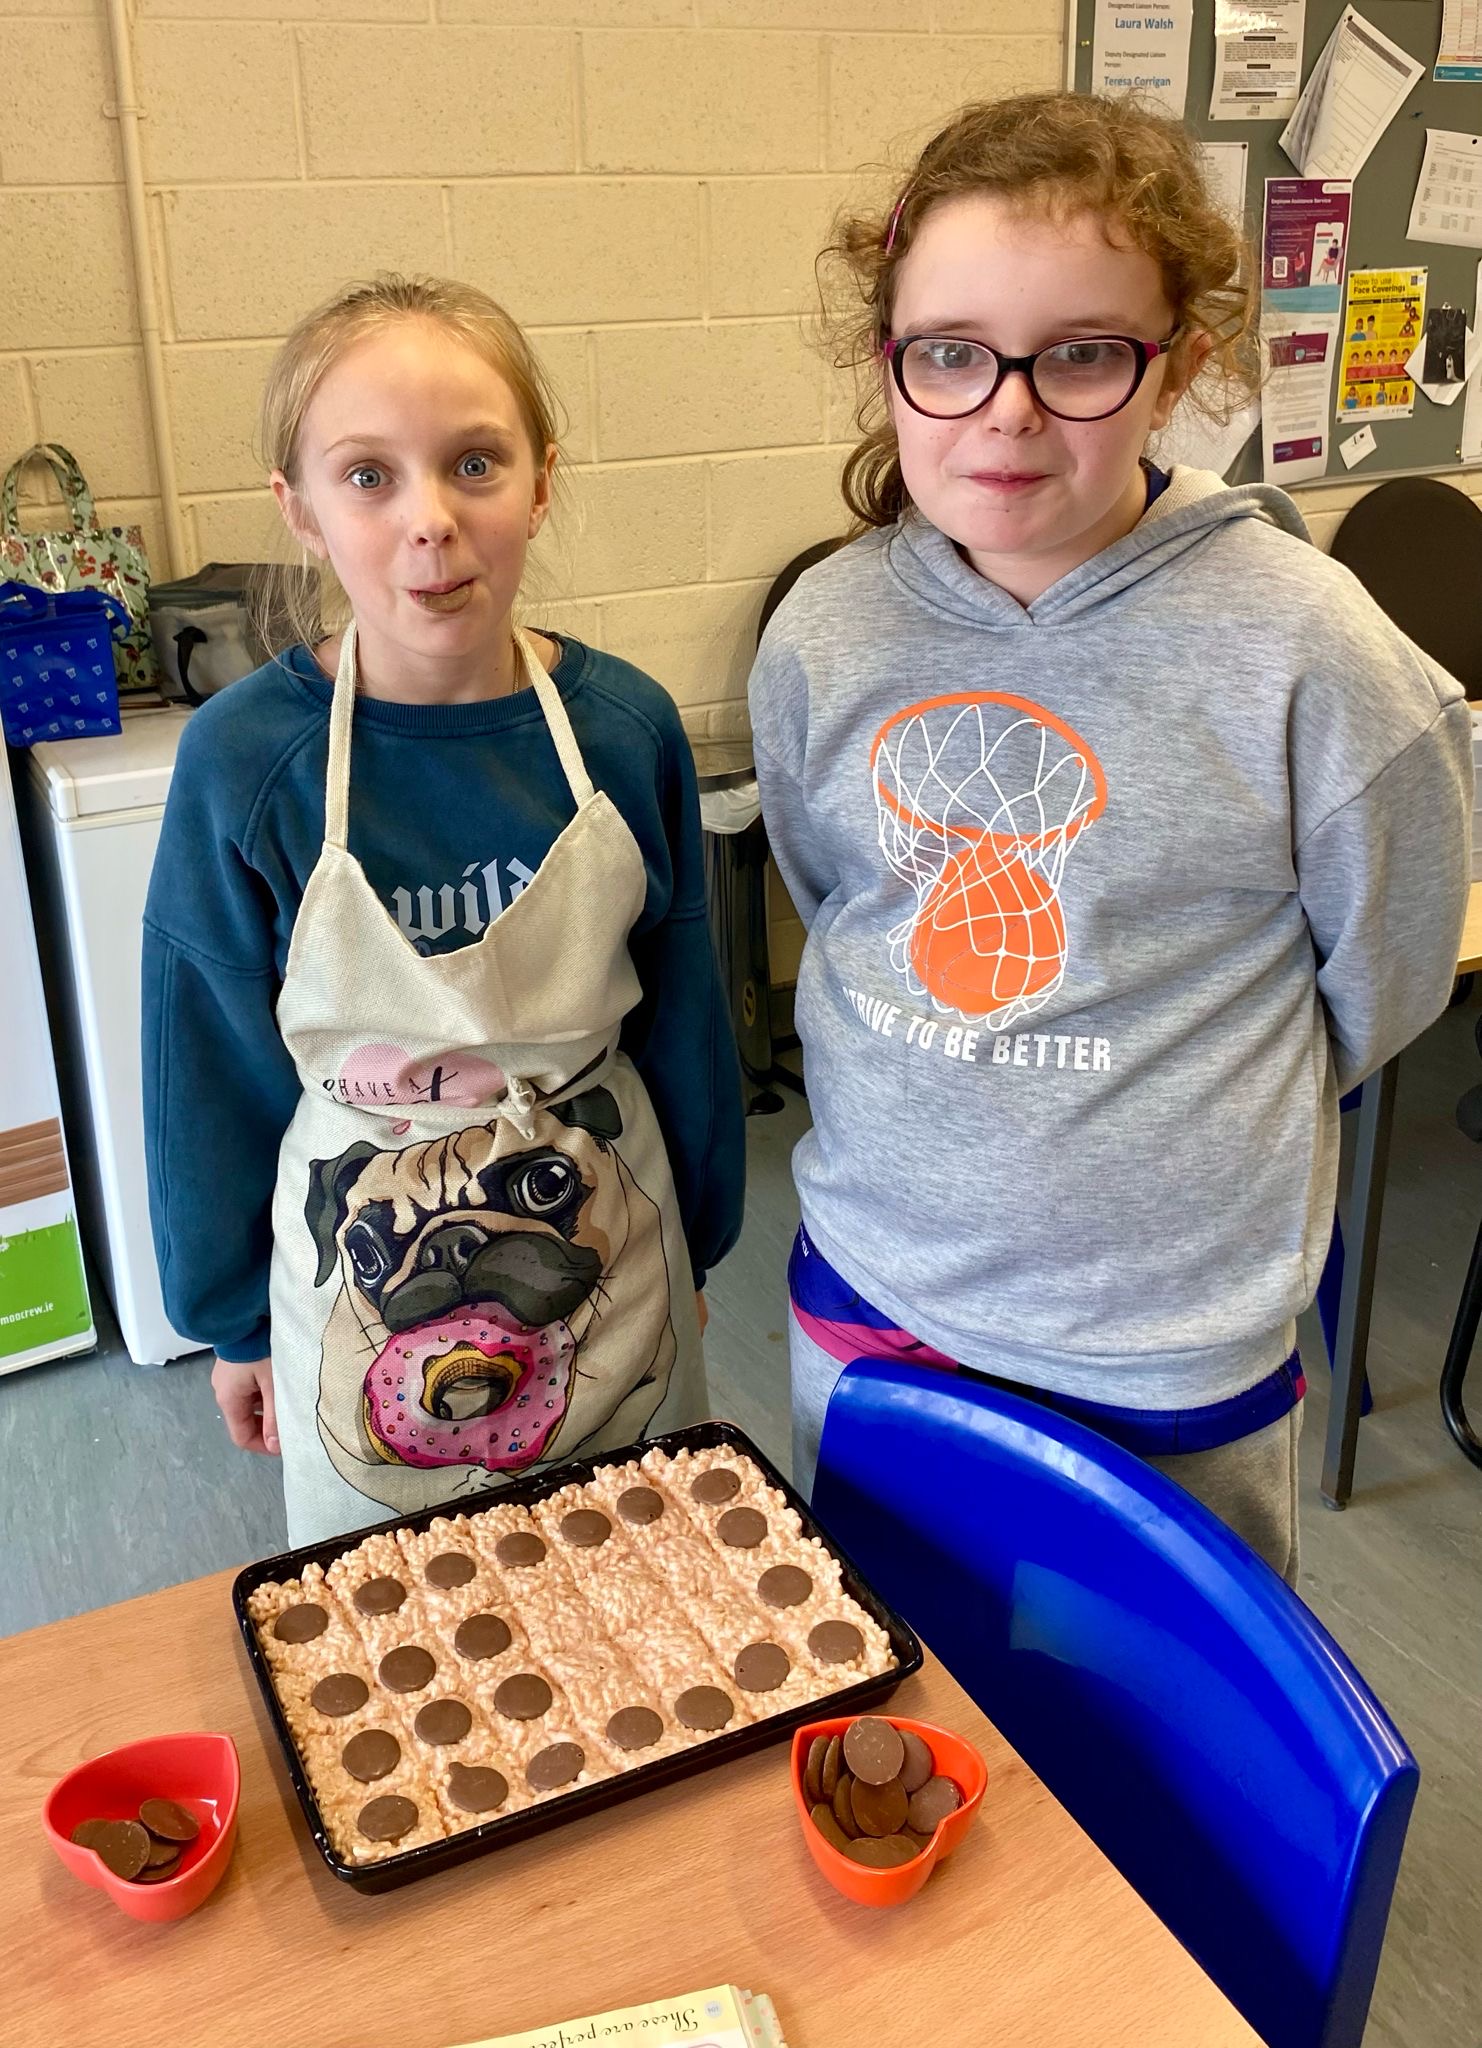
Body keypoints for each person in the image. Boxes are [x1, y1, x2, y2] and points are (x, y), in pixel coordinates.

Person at [747, 93, 1471, 1584]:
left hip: (1164, 1339)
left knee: (1143, 1693)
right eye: (951, 353)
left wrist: (1193, 1091)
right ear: (889, 363)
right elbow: (836, 893)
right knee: (905, 1670)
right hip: (880, 1293)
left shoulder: (1307, 646)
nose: (1006, 409)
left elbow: (1386, 971)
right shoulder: (826, 628)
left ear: (1178, 365)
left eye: (1079, 355)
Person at [144, 275, 745, 1545]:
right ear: (300, 510)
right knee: (399, 1602)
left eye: (475, 463)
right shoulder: (246, 762)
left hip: (601, 1226)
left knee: (640, 1572)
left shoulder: (624, 730)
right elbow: (207, 1067)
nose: (431, 521)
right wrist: (233, 1323)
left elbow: (687, 1018)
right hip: (365, 1260)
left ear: (540, 481)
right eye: (369, 476)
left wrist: (694, 1241)